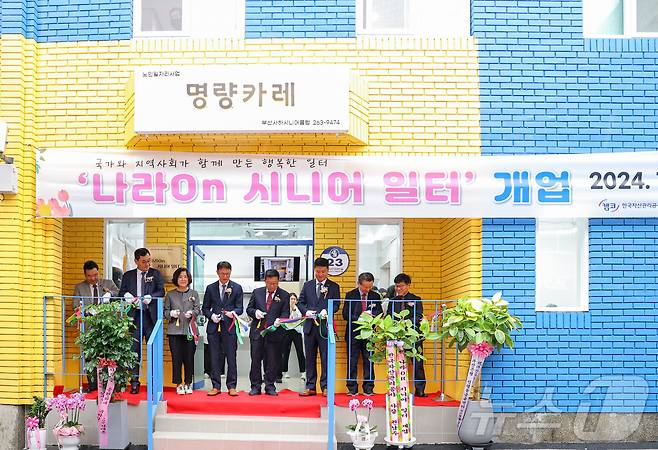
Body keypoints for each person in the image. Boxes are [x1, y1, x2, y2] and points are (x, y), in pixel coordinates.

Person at [118, 248, 165, 394]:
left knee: (152, 350)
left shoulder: (155, 274)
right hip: (134, 316)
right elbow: (121, 293)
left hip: (150, 316)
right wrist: (126, 295)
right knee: (134, 351)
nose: (147, 264)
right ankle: (134, 382)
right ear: (136, 261)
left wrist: (151, 297)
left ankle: (153, 382)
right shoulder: (128, 275)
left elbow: (161, 291)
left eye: (149, 261)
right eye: (144, 261)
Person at [73, 260, 119, 392]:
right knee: (90, 356)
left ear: (98, 272)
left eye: (95, 275)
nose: (93, 278)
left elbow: (119, 294)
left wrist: (109, 293)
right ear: (85, 275)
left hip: (106, 325)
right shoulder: (80, 287)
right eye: (90, 276)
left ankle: (107, 384)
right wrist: (87, 311)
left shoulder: (108, 283)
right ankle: (93, 385)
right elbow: (75, 305)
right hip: (88, 326)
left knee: (106, 354)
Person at [298, 257, 341, 397]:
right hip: (310, 326)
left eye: (323, 271)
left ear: (328, 271)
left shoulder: (334, 287)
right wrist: (306, 311)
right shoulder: (307, 285)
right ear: (314, 270)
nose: (320, 274)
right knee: (309, 358)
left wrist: (327, 311)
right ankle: (310, 386)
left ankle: (326, 387)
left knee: (325, 357)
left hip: (324, 327)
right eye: (318, 271)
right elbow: (300, 302)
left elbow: (336, 305)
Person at [202, 261, 243, 397]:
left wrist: (234, 313)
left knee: (231, 357)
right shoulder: (210, 288)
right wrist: (211, 315)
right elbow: (205, 308)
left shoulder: (237, 288)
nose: (225, 276)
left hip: (230, 327)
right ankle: (216, 386)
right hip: (214, 327)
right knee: (214, 357)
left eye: (227, 273)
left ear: (230, 272)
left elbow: (240, 308)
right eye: (222, 273)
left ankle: (232, 386)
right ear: (217, 272)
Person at [247, 269, 290, 396]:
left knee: (272, 361)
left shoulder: (284, 295)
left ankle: (270, 386)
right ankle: (255, 386)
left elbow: (286, 313)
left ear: (278, 282)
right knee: (255, 360)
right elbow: (249, 308)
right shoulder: (257, 292)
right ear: (265, 281)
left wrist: (279, 320)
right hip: (257, 333)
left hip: (275, 333)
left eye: (275, 283)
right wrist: (255, 313)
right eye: (270, 283)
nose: (272, 286)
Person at [387, 273, 427, 397]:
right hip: (397, 335)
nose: (398, 289)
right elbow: (389, 316)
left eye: (401, 286)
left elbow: (419, 315)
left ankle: (420, 389)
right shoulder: (392, 301)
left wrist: (407, 323)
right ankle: (396, 389)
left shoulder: (416, 299)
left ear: (408, 285)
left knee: (417, 362)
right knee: (396, 362)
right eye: (397, 286)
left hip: (413, 335)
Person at [343, 272, 382, 396]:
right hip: (353, 332)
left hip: (369, 333)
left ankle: (369, 388)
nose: (367, 290)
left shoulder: (375, 296)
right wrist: (358, 318)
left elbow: (379, 312)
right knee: (352, 360)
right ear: (359, 284)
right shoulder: (350, 295)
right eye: (365, 287)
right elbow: (345, 314)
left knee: (369, 360)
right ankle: (352, 388)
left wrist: (372, 317)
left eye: (370, 287)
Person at [164, 268, 200, 395]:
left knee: (189, 358)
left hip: (190, 331)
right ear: (176, 279)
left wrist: (193, 313)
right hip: (174, 331)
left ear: (188, 278)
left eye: (185, 276)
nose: (183, 279)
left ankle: (188, 383)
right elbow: (165, 312)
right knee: (176, 359)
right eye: (180, 277)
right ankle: (179, 384)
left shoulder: (194, 293)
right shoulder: (170, 294)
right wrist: (171, 314)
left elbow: (198, 309)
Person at [279, 292, 306, 382]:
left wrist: (294, 308)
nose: (293, 300)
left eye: (294, 299)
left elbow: (298, 317)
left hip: (296, 332)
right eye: (291, 299)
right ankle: (285, 372)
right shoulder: (285, 309)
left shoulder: (298, 309)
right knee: (285, 352)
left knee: (300, 352)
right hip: (287, 331)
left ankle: (303, 372)